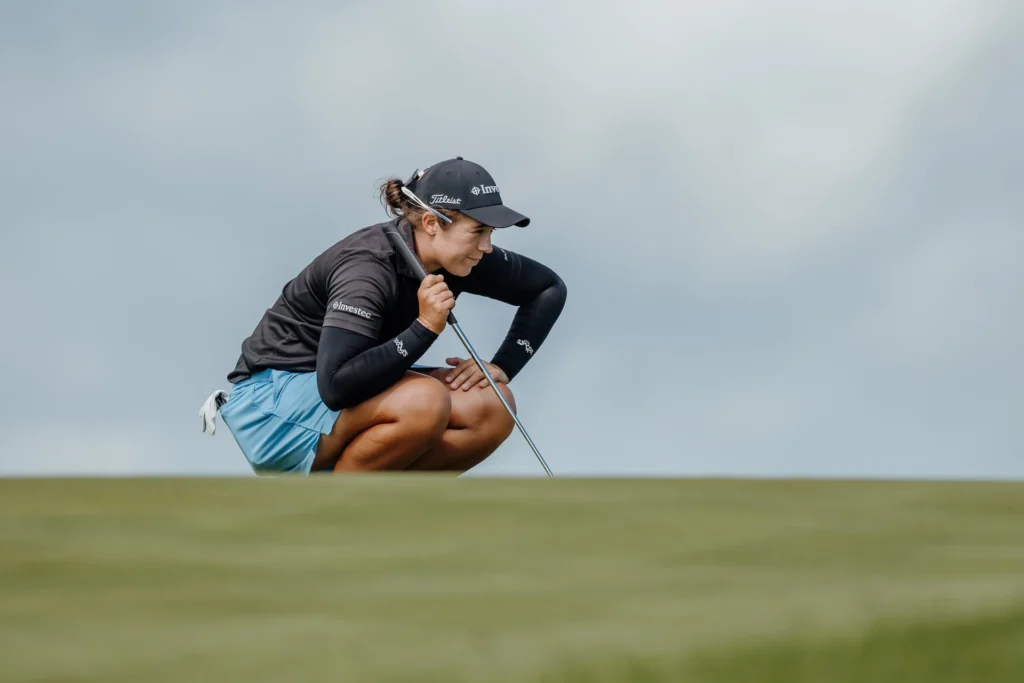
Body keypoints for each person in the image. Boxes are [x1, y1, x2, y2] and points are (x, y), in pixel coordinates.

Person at [199, 157, 567, 475]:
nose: (487, 247)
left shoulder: (460, 256)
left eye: (490, 233)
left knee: (492, 405)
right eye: (478, 231)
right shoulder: (367, 268)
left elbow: (548, 288)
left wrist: (504, 365)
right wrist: (425, 327)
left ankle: (382, 509)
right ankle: (328, 516)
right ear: (431, 223)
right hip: (269, 408)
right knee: (424, 402)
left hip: (343, 390)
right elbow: (336, 386)